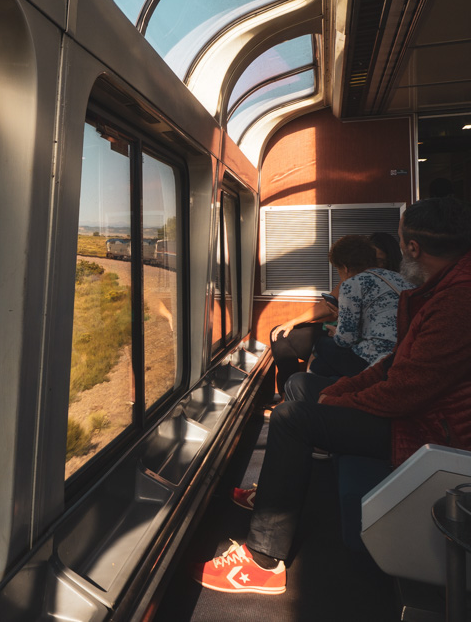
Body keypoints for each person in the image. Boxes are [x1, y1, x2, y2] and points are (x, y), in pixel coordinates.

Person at [192, 196, 471, 595]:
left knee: (293, 418)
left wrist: (339, 401)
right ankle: (273, 494)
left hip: (439, 433)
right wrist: (342, 389)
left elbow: (407, 391)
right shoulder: (435, 289)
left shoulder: (457, 300)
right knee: (305, 401)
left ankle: (263, 561)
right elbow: (397, 365)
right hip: (426, 415)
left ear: (412, 248)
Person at [308, 235, 413, 378]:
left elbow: (345, 340)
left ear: (345, 268)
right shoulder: (400, 278)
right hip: (406, 352)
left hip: (374, 358)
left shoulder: (352, 284)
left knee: (321, 343)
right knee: (320, 366)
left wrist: (336, 332)